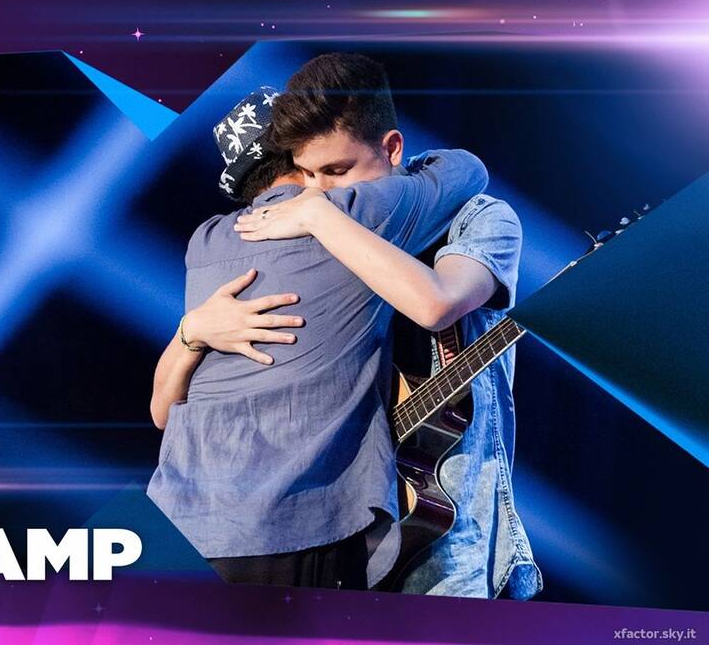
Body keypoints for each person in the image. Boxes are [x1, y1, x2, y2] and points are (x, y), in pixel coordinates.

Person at [146, 76, 489, 589]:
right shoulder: (355, 212)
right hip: (288, 526)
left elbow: (162, 413)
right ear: (301, 156)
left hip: (175, 524)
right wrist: (322, 204)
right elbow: (466, 171)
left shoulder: (206, 241)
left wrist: (190, 331)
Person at [231, 53, 542, 599]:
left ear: (392, 149)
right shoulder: (316, 232)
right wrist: (195, 331)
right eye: (307, 175)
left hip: (450, 548)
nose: (318, 191)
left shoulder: (478, 218)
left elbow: (436, 304)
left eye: (336, 172)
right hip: (333, 548)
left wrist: (319, 217)